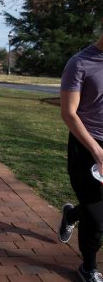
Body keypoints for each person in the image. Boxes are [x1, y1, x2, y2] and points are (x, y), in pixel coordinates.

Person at [58, 26, 103, 282]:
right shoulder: (80, 63)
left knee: (94, 209)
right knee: (97, 217)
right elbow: (68, 113)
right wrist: (97, 150)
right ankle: (89, 266)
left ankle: (72, 214)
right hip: (85, 146)